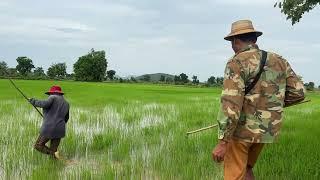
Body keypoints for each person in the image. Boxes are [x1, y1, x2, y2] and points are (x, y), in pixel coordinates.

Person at [212, 20, 305, 180]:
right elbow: (299, 92)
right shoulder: (279, 60)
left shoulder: (236, 62)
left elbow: (231, 105)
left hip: (242, 132)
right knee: (247, 168)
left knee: (234, 175)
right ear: (254, 39)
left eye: (232, 42)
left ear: (235, 41)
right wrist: (270, 106)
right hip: (266, 131)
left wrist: (223, 142)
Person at [29, 85, 70, 159]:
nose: (50, 95)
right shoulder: (66, 103)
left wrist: (33, 101)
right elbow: (66, 118)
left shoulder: (53, 97)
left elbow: (44, 104)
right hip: (60, 128)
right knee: (54, 149)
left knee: (38, 145)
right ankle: (57, 162)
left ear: (52, 92)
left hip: (49, 127)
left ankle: (54, 154)